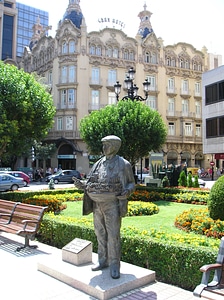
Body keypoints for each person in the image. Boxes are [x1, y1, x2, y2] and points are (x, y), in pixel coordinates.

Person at [81, 135, 135, 279]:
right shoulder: (98, 163)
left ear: (115, 146)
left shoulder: (124, 164)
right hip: (97, 202)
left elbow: (131, 183)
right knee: (100, 232)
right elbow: (90, 180)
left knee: (113, 235)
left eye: (107, 145)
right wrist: (83, 185)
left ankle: (114, 265)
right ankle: (102, 260)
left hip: (112, 203)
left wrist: (127, 191)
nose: (104, 148)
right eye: (103, 145)